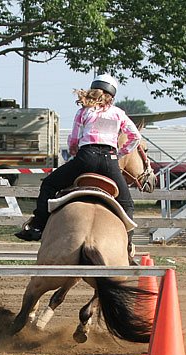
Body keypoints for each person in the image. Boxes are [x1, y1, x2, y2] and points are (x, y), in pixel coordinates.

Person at [15, 74, 141, 246]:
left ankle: (37, 226)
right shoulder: (119, 114)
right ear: (112, 95)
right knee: (127, 203)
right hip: (109, 161)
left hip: (85, 158)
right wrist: (120, 153)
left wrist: (75, 155)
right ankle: (127, 245)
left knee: (49, 185)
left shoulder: (83, 111)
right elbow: (135, 136)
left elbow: (74, 140)